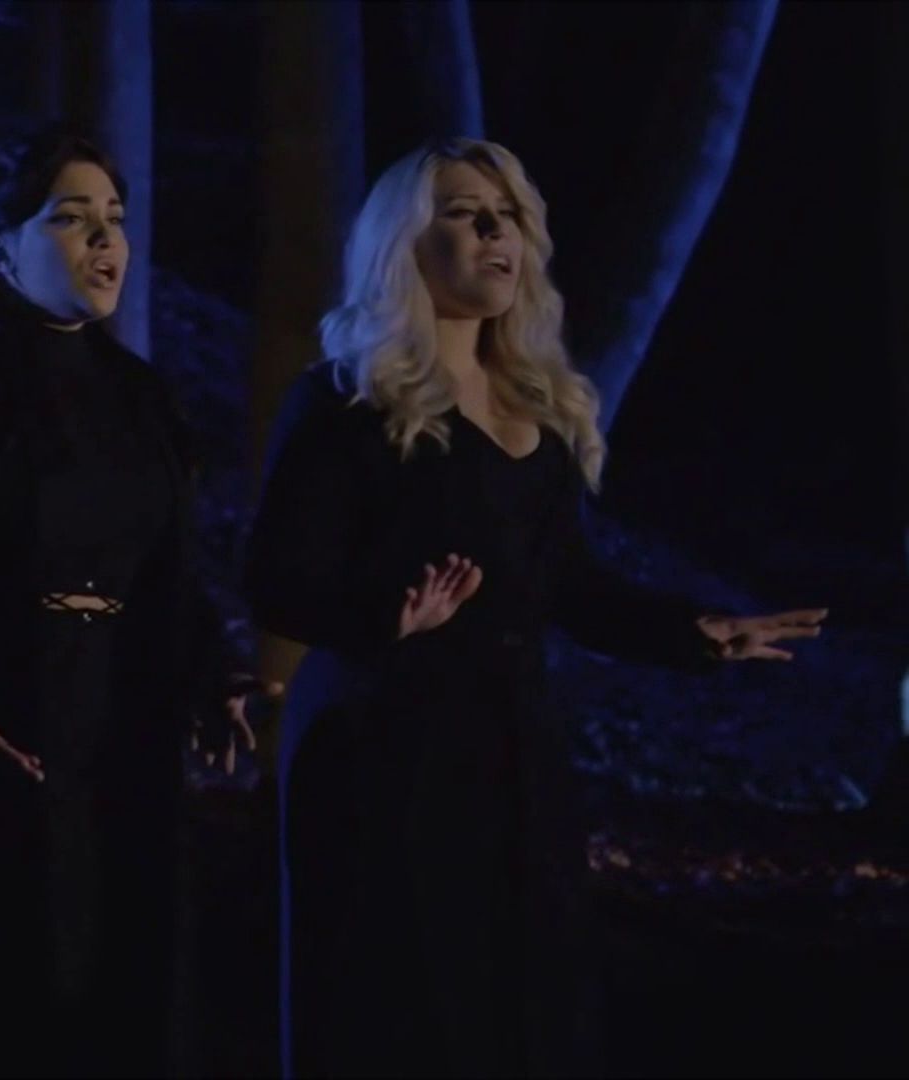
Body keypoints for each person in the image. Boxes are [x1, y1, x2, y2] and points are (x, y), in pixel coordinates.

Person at [244, 136, 830, 1077]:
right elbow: (274, 580)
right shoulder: (345, 404)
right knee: (399, 1009)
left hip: (513, 751)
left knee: (522, 1000)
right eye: (465, 213)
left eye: (508, 214)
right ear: (405, 245)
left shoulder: (538, 412)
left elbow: (568, 584)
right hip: (382, 750)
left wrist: (693, 632)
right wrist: (386, 616)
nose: (495, 232)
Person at [0, 126, 259, 1077]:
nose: (106, 240)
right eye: (72, 219)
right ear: (1, 248)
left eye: (115, 218)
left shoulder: (142, 400)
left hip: (119, 729)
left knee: (112, 982)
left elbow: (167, 570)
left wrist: (214, 674)